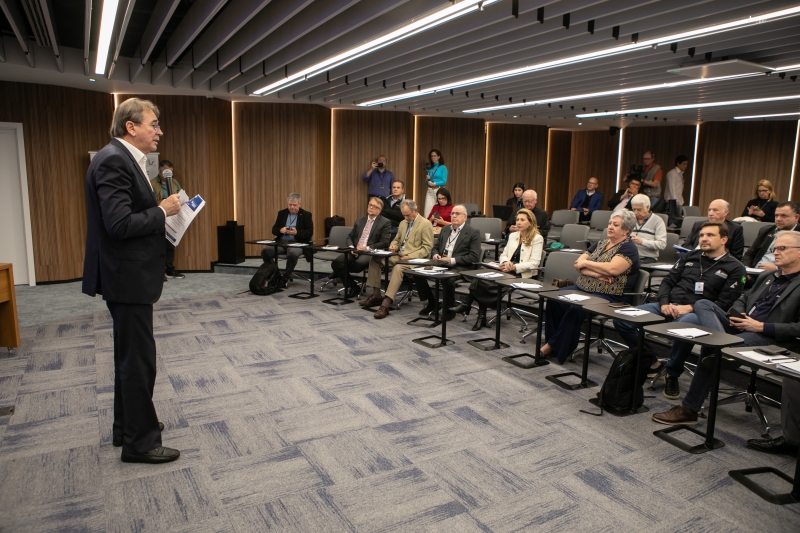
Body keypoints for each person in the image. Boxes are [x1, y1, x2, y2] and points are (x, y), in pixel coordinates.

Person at [82, 97, 181, 464]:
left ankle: (127, 426)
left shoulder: (118, 158)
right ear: (131, 127)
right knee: (139, 360)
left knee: (131, 357)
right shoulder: (113, 160)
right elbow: (119, 224)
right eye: (154, 124)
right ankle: (140, 443)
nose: (159, 131)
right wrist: (161, 211)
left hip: (127, 275)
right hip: (127, 276)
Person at [651, 231, 800, 439]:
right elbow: (742, 298)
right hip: (738, 326)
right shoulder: (768, 276)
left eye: (782, 248)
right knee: (703, 304)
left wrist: (761, 326)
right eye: (775, 248)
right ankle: (721, 346)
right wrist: (736, 316)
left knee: (709, 349)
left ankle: (690, 408)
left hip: (770, 337)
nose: (775, 253)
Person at [612, 222, 746, 399]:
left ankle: (673, 373)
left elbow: (723, 303)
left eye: (710, 235)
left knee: (684, 327)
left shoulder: (735, 268)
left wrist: (690, 307)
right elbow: (667, 282)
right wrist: (665, 302)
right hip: (668, 306)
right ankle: (652, 362)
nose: (704, 238)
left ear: (724, 239)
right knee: (622, 318)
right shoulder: (689, 257)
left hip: (697, 313)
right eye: (702, 235)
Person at [540, 210, 640, 363]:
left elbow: (612, 269)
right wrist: (596, 274)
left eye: (616, 225)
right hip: (584, 287)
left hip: (610, 295)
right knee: (555, 297)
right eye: (610, 224)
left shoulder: (628, 248)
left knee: (576, 308)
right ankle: (555, 344)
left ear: (626, 230)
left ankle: (552, 347)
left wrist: (587, 264)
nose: (610, 227)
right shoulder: (600, 243)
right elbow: (577, 264)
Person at [454, 208, 544, 331]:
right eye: (517, 219)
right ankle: (479, 315)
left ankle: (470, 306)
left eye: (522, 220)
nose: (518, 222)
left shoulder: (537, 238)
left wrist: (514, 267)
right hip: (505, 268)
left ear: (531, 222)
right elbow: (504, 254)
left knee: (485, 283)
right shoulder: (513, 235)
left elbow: (534, 263)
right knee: (481, 278)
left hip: (521, 273)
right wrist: (505, 262)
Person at [359, 200, 434, 319]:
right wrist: (393, 245)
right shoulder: (403, 223)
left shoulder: (425, 224)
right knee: (375, 259)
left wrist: (410, 256)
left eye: (408, 215)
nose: (405, 217)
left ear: (415, 210)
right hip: (399, 255)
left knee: (398, 268)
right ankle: (376, 295)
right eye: (403, 215)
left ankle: (386, 304)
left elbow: (427, 248)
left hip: (415, 259)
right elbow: (397, 240)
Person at [416, 204, 481, 322]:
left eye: (457, 214)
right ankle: (432, 302)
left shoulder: (473, 232)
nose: (454, 216)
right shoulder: (445, 230)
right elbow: (435, 247)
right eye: (452, 213)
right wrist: (435, 254)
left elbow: (474, 257)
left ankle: (449, 309)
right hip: (441, 263)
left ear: (465, 217)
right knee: (417, 272)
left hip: (461, 266)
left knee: (448, 278)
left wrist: (452, 260)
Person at [330, 197, 392, 298]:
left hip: (369, 252)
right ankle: (353, 286)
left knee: (356, 264)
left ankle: (338, 273)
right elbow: (350, 236)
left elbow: (385, 242)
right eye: (370, 205)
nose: (371, 207)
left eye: (374, 206)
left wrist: (366, 248)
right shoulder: (360, 220)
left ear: (379, 210)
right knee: (336, 263)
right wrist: (352, 248)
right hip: (354, 250)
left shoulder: (385, 222)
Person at [262, 193, 314, 288]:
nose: (292, 207)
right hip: (282, 242)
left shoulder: (306, 215)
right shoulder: (282, 213)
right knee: (265, 251)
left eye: (294, 205)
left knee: (293, 253)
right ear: (287, 204)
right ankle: (275, 273)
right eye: (290, 205)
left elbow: (309, 232)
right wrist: (280, 230)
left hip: (297, 243)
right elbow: (274, 229)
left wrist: (296, 233)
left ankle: (284, 278)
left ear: (300, 204)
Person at [150, 160, 184, 280]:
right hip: (159, 217)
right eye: (166, 171)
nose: (168, 174)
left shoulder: (174, 183)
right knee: (159, 245)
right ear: (160, 171)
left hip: (173, 218)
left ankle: (170, 269)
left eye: (170, 172)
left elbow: (180, 196)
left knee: (170, 244)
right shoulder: (152, 183)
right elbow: (150, 202)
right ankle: (159, 272)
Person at [743, 201, 800, 271]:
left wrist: (777, 268)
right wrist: (746, 269)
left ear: (796, 217)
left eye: (784, 216)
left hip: (783, 276)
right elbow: (749, 254)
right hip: (755, 273)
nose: (778, 219)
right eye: (776, 215)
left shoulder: (798, 235)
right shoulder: (766, 230)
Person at [629, 194, 667, 264]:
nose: (636, 212)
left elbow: (662, 244)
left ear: (648, 207)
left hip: (648, 258)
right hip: (629, 256)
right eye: (634, 209)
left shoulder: (658, 221)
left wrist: (642, 242)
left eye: (639, 210)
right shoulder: (630, 219)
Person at [663, 155, 689, 228]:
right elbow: (672, 188)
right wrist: (675, 201)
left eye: (686, 164)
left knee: (678, 221)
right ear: (678, 163)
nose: (686, 166)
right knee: (672, 222)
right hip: (672, 201)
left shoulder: (680, 174)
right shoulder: (672, 173)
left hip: (678, 201)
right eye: (684, 164)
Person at [423, 149, 447, 220]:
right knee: (427, 210)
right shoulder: (429, 168)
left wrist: (435, 183)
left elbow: (444, 181)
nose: (433, 157)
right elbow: (426, 182)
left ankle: (436, 226)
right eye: (431, 156)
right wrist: (427, 180)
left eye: (435, 156)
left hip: (439, 190)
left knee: (437, 210)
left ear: (439, 157)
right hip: (430, 190)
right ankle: (427, 226)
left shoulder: (443, 167)